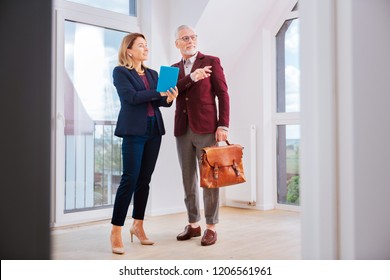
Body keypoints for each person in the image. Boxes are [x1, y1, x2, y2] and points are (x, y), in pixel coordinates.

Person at [110, 33, 178, 254]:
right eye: (141, 45)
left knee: (144, 180)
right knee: (129, 179)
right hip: (133, 131)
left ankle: (138, 226)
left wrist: (168, 97)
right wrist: (157, 92)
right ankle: (116, 230)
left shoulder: (153, 73)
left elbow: (159, 102)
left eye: (146, 45)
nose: (146, 49)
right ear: (129, 50)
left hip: (153, 130)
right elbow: (131, 97)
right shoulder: (121, 72)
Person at [172, 25, 230, 246]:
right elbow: (165, 96)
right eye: (185, 38)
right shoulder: (171, 69)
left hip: (207, 128)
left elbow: (223, 94)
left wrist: (223, 124)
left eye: (193, 37)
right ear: (177, 43)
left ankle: (211, 227)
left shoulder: (211, 61)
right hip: (182, 129)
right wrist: (192, 78)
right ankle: (193, 224)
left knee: (209, 179)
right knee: (188, 179)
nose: (190, 41)